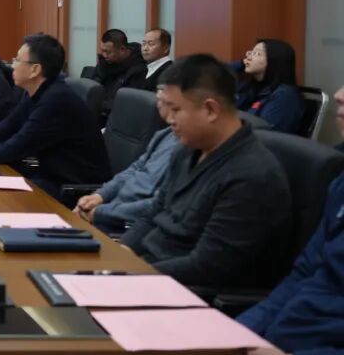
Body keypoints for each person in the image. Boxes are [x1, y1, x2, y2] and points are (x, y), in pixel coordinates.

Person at [111, 84, 344, 355]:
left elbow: (209, 263)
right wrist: (239, 337)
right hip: (282, 338)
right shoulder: (341, 186)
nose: (339, 94)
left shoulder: (250, 171)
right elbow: (302, 276)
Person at [121, 54, 292, 290]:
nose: (168, 119)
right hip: (148, 271)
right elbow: (154, 213)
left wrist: (131, 275)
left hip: (186, 291)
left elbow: (207, 267)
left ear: (210, 109)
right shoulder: (186, 150)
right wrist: (122, 252)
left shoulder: (252, 176)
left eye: (176, 109)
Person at [0, 34, 111, 198]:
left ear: (35, 70)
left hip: (75, 190)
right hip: (49, 177)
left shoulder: (55, 101)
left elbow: (11, 149)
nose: (12, 65)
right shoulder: (38, 92)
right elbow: (4, 129)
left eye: (17, 60)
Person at [74, 90, 182, 234]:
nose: (170, 118)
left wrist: (101, 212)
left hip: (125, 226)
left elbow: (156, 206)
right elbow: (135, 169)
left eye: (176, 108)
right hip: (110, 212)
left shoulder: (192, 153)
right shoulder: (166, 134)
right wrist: (100, 195)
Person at [234, 39, 305, 134]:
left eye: (257, 54)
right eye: (251, 53)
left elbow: (267, 133)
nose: (248, 58)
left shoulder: (285, 96)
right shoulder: (251, 86)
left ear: (274, 61)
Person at [90, 29, 148, 123]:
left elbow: (126, 102)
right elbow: (94, 81)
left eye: (108, 52)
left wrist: (98, 103)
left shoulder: (138, 70)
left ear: (122, 49)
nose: (104, 55)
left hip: (116, 118)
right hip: (98, 111)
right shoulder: (106, 61)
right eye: (102, 51)